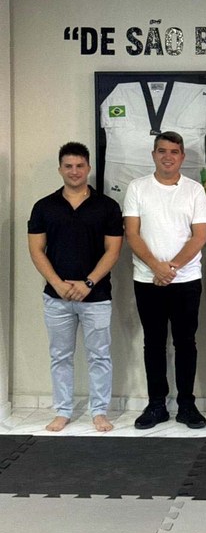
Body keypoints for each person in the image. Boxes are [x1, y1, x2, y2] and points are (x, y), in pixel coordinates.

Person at [27, 142, 123, 432]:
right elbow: (36, 250)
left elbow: (113, 250)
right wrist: (57, 284)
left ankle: (99, 412)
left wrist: (89, 282)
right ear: (60, 169)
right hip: (56, 298)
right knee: (60, 356)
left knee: (99, 356)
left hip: (97, 296)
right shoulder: (44, 207)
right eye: (68, 166)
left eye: (80, 166)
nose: (74, 171)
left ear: (88, 168)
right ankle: (63, 410)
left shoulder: (107, 207)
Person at [124, 131, 206, 430]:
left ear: (182, 157)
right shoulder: (137, 188)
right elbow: (132, 233)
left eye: (174, 151)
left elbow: (200, 236)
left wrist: (170, 268)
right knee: (154, 343)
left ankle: (186, 404)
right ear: (153, 155)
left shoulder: (195, 190)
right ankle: (157, 404)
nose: (168, 157)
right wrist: (155, 267)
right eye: (162, 151)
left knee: (186, 343)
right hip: (147, 280)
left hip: (186, 279)